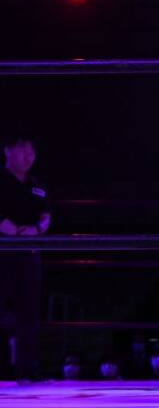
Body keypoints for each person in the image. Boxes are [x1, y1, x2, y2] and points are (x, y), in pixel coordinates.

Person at [0, 133, 50, 382]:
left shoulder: (36, 184)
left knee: (29, 312)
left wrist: (37, 228)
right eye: (21, 149)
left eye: (31, 150)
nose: (27, 156)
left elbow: (46, 215)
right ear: (8, 151)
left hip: (29, 253)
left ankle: (26, 370)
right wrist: (5, 226)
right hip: (3, 253)